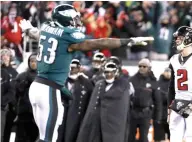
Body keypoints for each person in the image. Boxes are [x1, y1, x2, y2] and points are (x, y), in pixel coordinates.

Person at [19, 4, 153, 142]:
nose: (77, 22)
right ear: (66, 19)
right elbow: (98, 43)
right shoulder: (67, 35)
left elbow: (38, 34)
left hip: (38, 86)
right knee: (49, 138)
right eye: (74, 19)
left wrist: (29, 30)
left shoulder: (47, 28)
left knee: (45, 136)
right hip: (49, 89)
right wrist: (127, 41)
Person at [77, 61, 131, 142]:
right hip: (97, 123)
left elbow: (122, 108)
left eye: (111, 72)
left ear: (115, 72)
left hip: (113, 125)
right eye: (106, 72)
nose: (109, 74)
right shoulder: (99, 84)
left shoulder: (123, 86)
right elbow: (92, 106)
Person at [128, 58, 162, 142]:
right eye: (140, 66)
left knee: (143, 138)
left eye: (144, 66)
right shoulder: (131, 80)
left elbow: (158, 101)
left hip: (146, 114)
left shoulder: (153, 82)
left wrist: (157, 117)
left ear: (149, 68)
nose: (142, 68)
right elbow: (127, 97)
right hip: (133, 112)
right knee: (130, 137)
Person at [64, 59, 93, 142]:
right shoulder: (62, 80)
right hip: (63, 114)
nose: (72, 69)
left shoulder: (86, 82)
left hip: (78, 115)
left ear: (79, 68)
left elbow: (91, 98)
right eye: (71, 67)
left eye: (75, 67)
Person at [14, 53, 39, 142]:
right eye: (32, 61)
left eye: (36, 61)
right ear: (28, 62)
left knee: (35, 136)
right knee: (21, 137)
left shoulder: (43, 77)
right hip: (23, 112)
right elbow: (16, 94)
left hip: (37, 112)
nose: (33, 63)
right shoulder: (21, 76)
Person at [1, 49, 18, 142]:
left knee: (8, 129)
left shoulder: (15, 73)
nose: (5, 57)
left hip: (12, 107)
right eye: (2, 55)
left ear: (10, 57)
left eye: (7, 55)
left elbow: (16, 90)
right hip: (2, 105)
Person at [153, 68, 171, 142]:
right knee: (159, 138)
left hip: (171, 115)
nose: (168, 74)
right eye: (166, 72)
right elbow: (156, 97)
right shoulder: (157, 83)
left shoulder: (175, 84)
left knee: (174, 137)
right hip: (159, 115)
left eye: (169, 72)